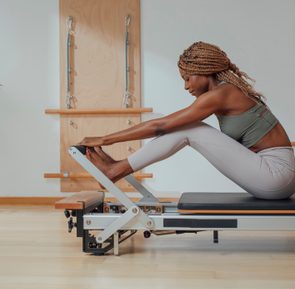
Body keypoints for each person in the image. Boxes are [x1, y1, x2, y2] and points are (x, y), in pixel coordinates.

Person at [78, 41, 295, 200]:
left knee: (191, 129)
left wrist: (106, 139)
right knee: (188, 127)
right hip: (275, 175)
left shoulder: (221, 94)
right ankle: (117, 167)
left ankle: (117, 169)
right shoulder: (227, 92)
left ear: (204, 72)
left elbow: (161, 126)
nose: (186, 86)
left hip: (276, 174)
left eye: (187, 78)